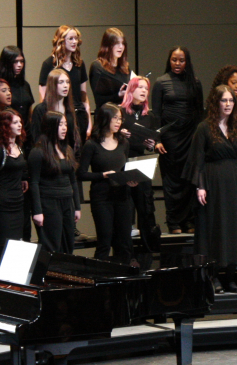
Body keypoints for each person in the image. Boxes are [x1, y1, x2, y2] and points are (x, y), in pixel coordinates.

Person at [187, 86, 237, 294]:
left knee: (235, 229)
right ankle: (214, 276)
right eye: (223, 100)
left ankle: (231, 277)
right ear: (215, 103)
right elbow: (197, 160)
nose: (228, 104)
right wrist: (200, 186)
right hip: (213, 184)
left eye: (231, 101)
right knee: (215, 229)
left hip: (236, 183)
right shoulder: (204, 128)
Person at [152, 47, 204, 234]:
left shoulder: (195, 83)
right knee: (172, 181)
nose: (177, 63)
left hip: (190, 137)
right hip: (170, 139)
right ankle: (173, 222)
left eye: (181, 60)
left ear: (186, 62)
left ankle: (189, 221)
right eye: (174, 60)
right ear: (169, 60)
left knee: (189, 180)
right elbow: (156, 114)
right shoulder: (160, 82)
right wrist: (157, 139)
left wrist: (199, 139)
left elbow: (199, 113)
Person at [79, 103, 138, 264]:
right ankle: (101, 280)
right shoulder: (91, 144)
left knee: (125, 241)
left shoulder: (124, 143)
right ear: (105, 119)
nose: (119, 122)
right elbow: (81, 173)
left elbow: (125, 169)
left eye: (120, 119)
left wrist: (131, 180)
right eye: (115, 118)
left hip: (122, 196)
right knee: (105, 240)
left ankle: (125, 279)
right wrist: (102, 175)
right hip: (102, 197)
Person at [119, 76, 163, 262]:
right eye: (140, 88)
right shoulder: (121, 112)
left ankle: (149, 255)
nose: (144, 91)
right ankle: (125, 257)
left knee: (146, 210)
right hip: (124, 164)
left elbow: (153, 142)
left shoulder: (150, 116)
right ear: (131, 90)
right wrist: (119, 134)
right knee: (125, 210)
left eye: (146, 88)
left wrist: (152, 143)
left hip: (142, 164)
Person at [28, 111, 81, 254]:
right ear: (50, 126)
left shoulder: (67, 149)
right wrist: (37, 211)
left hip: (67, 201)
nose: (64, 128)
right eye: (60, 124)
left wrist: (77, 206)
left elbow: (73, 181)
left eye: (65, 124)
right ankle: (49, 274)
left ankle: (65, 274)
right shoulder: (38, 152)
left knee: (68, 242)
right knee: (52, 244)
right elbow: (34, 183)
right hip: (49, 202)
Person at [38, 25, 91, 137]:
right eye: (70, 39)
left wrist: (89, 121)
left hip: (78, 114)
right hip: (59, 115)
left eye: (76, 38)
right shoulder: (49, 64)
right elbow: (43, 97)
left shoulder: (79, 64)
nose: (74, 42)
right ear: (61, 41)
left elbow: (83, 95)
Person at [0, 108, 29, 247]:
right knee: (4, 243)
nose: (19, 125)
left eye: (20, 122)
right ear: (6, 126)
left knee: (17, 243)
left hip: (18, 202)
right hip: (3, 203)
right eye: (15, 122)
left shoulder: (19, 147)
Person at [30, 68, 82, 152]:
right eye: (61, 82)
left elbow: (74, 138)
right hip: (48, 155)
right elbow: (37, 138)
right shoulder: (41, 110)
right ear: (52, 85)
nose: (65, 85)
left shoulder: (70, 110)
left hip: (67, 157)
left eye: (67, 82)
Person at [89, 28, 132, 120]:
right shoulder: (98, 67)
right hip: (106, 117)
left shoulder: (125, 67)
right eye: (116, 43)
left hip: (123, 116)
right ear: (107, 45)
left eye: (123, 43)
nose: (121, 47)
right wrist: (118, 95)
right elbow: (99, 99)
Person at [0, 46, 35, 126]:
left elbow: (29, 111)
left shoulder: (25, 85)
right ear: (7, 63)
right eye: (15, 62)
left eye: (21, 61)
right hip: (8, 131)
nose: (19, 65)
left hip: (26, 132)